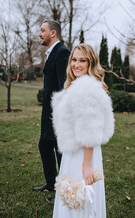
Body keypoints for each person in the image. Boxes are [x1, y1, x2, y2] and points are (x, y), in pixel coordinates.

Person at [51, 43, 114, 217]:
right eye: (74, 59)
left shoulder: (86, 88)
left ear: (90, 63)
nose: (76, 64)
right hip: (75, 151)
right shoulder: (78, 85)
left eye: (82, 61)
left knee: (79, 198)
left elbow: (90, 131)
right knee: (73, 197)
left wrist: (86, 166)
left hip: (82, 154)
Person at [32, 19, 70, 204]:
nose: (39, 33)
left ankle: (63, 193)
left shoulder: (62, 52)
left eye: (42, 30)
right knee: (44, 145)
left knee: (60, 152)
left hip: (58, 114)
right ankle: (50, 182)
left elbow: (65, 84)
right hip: (48, 112)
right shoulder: (51, 53)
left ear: (52, 33)